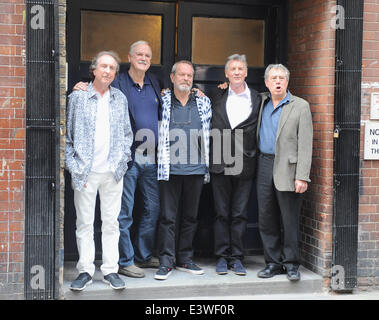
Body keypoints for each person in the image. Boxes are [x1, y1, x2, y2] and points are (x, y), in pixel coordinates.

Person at [74, 40, 162, 278]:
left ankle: (143, 256)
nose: (143, 58)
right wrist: (82, 85)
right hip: (127, 159)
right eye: (139, 54)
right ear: (130, 57)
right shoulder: (119, 82)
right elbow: (98, 84)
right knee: (123, 213)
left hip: (150, 157)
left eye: (147, 55)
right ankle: (125, 260)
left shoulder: (154, 81)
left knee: (152, 209)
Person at [66, 51, 133, 290]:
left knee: (111, 223)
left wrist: (122, 163)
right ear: (94, 70)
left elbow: (127, 134)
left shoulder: (120, 99)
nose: (107, 71)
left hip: (113, 172)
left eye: (112, 68)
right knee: (84, 223)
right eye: (103, 66)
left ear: (115, 73)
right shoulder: (78, 97)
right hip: (85, 172)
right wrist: (74, 167)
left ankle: (110, 270)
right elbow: (68, 136)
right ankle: (85, 270)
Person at [154, 60, 212, 280]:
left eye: (189, 75)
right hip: (170, 168)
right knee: (168, 218)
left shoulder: (203, 102)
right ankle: (166, 262)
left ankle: (185, 259)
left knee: (190, 217)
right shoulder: (163, 100)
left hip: (196, 169)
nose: (186, 78)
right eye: (182, 75)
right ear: (172, 77)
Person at [256, 64, 313, 281]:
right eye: (274, 78)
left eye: (282, 78)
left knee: (289, 219)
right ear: (267, 83)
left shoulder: (300, 106)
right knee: (266, 217)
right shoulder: (261, 101)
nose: (278, 81)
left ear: (287, 82)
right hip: (264, 164)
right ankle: (272, 263)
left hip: (289, 169)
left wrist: (302, 175)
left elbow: (306, 144)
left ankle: (291, 264)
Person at [209, 54, 261, 276]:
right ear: (227, 73)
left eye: (241, 68)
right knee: (222, 213)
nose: (237, 72)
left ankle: (237, 258)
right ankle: (222, 257)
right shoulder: (217, 94)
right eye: (233, 69)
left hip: (245, 162)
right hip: (220, 160)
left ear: (246, 72)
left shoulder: (258, 98)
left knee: (239, 213)